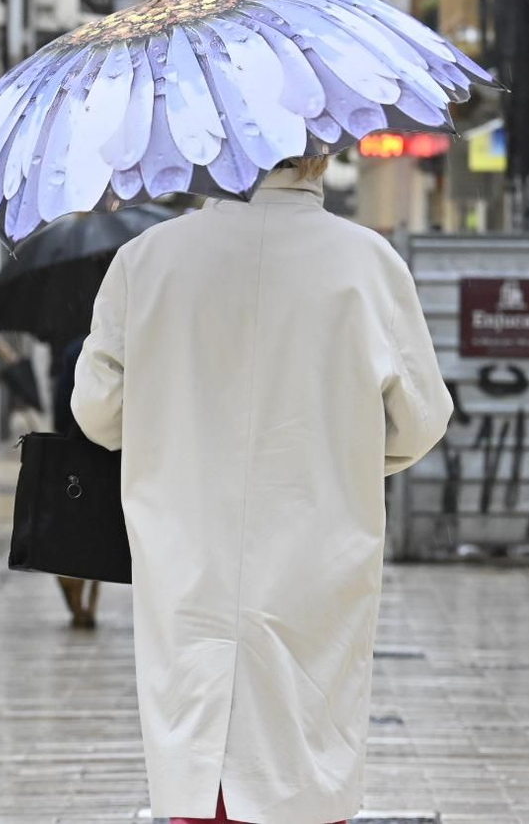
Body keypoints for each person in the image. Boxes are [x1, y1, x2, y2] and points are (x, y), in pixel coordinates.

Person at [72, 156, 452, 824]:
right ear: (322, 151)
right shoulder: (367, 262)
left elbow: (98, 412)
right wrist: (344, 456)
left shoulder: (146, 259)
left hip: (186, 549)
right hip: (318, 549)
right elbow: (421, 419)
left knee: (197, 751)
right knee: (304, 761)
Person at [51, 335, 100, 629]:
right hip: (111, 452)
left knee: (76, 528)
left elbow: (59, 409)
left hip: (76, 451)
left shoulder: (73, 351)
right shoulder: (122, 345)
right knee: (100, 528)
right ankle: (87, 602)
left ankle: (78, 599)